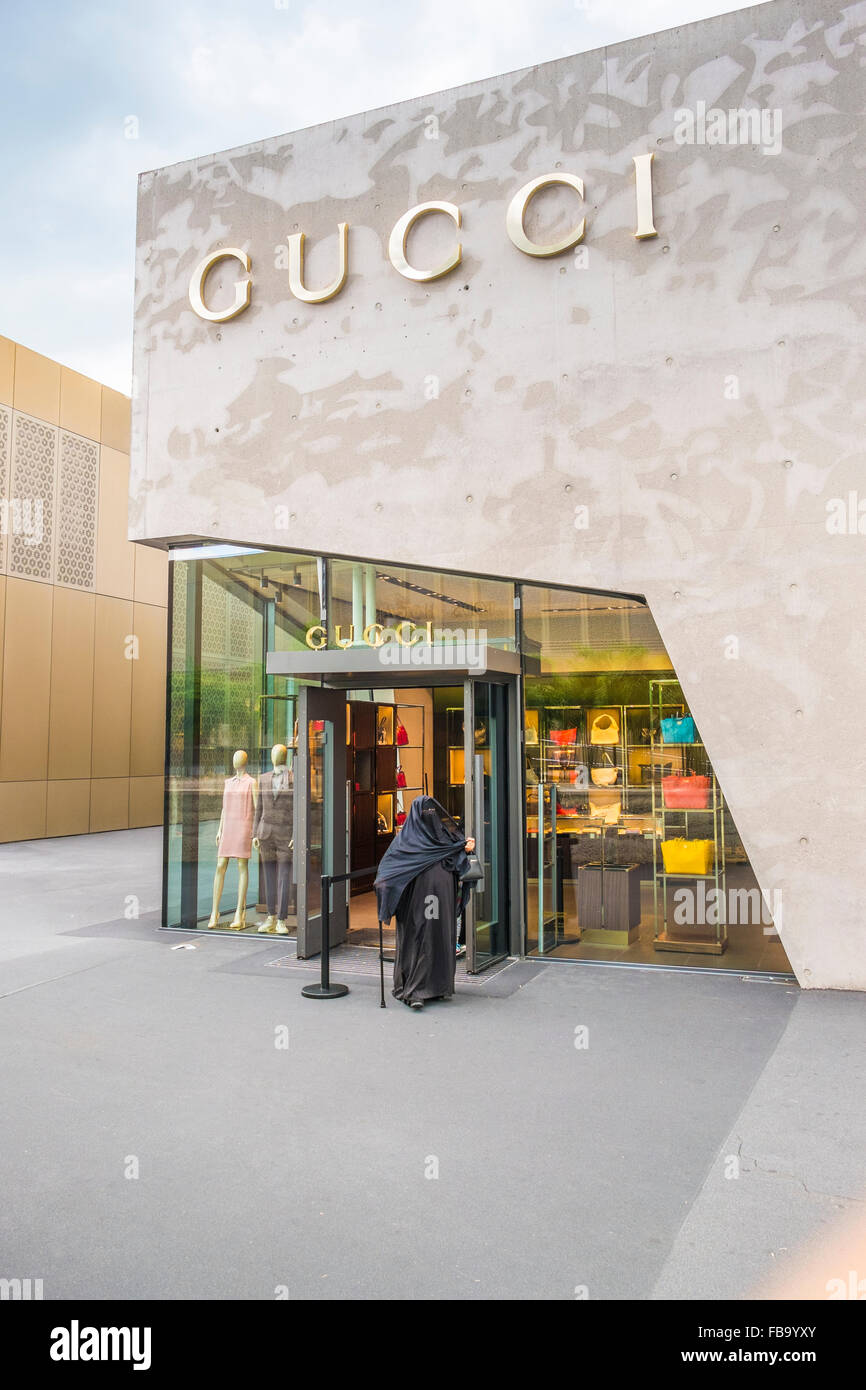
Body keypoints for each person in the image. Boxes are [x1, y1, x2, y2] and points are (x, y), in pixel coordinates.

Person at [374, 795, 475, 1010]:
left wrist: (464, 849)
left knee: (439, 939)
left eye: (432, 813)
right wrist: (390, 894)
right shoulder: (405, 843)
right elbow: (386, 873)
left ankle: (438, 987)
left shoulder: (444, 839)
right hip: (416, 906)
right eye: (425, 813)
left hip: (442, 902)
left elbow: (457, 863)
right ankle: (415, 992)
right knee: (420, 941)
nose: (430, 817)